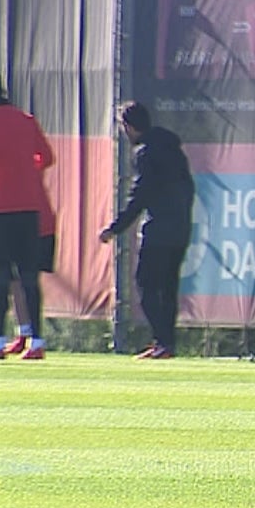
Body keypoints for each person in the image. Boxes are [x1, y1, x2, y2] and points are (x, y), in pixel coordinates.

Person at [100, 101, 195, 360]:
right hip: (180, 229)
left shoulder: (146, 152)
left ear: (129, 127)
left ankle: (163, 341)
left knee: (146, 284)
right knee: (167, 287)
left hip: (159, 231)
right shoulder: (173, 150)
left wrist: (115, 228)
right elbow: (188, 189)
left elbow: (139, 196)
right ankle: (166, 343)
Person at [0, 72, 54, 360]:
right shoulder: (25, 119)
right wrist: (23, 171)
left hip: (1, 210)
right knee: (29, 278)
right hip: (29, 210)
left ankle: (0, 340)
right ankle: (36, 341)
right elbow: (46, 157)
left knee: (1, 278)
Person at [2, 153, 56, 359]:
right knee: (16, 281)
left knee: (24, 281)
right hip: (36, 225)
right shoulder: (26, 165)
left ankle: (33, 337)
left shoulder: (18, 169)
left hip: (34, 227)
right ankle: (25, 333)